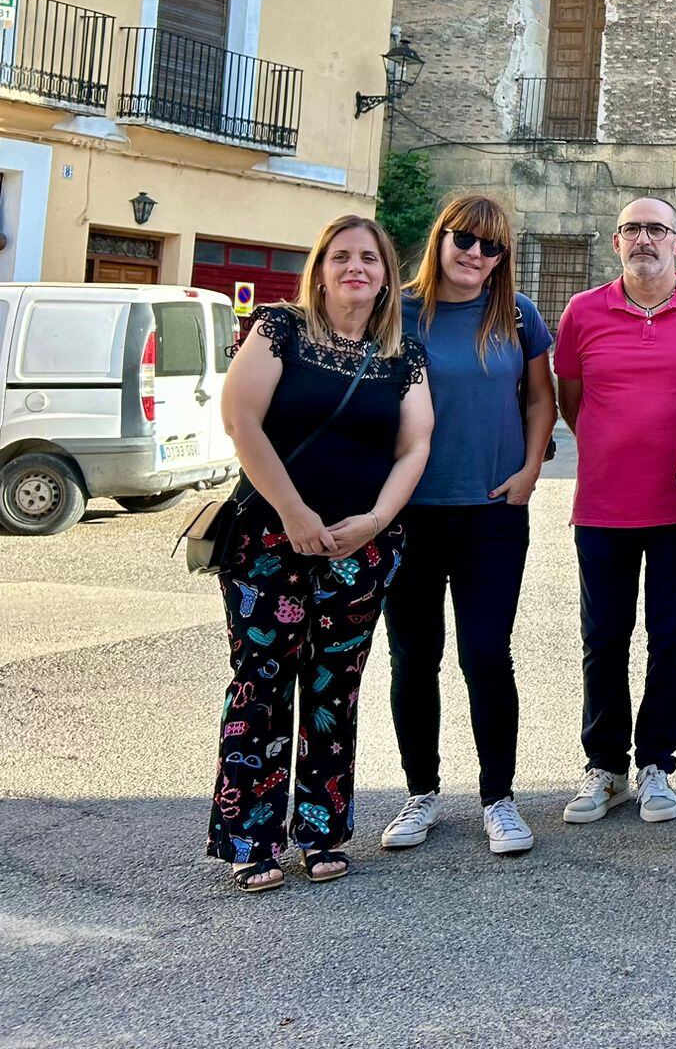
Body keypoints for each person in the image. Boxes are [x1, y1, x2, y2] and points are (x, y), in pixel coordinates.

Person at [209, 214, 432, 892]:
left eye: (369, 257)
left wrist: (377, 520)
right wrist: (293, 511)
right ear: (321, 268)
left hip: (360, 548)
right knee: (261, 684)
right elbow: (241, 419)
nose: (354, 267)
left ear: (386, 275)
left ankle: (322, 832)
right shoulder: (280, 329)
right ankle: (250, 839)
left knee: (335, 689)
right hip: (269, 540)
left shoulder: (403, 356)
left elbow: (415, 445)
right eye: (341, 256)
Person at [380, 194, 555, 859]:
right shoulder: (396, 310)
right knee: (413, 656)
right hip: (409, 515)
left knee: (486, 654)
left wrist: (530, 469)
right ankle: (420, 791)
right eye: (465, 239)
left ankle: (498, 799)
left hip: (493, 516)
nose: (476, 254)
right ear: (440, 238)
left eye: (491, 246)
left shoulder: (517, 314)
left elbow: (541, 399)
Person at [554, 196, 676, 827]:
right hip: (603, 507)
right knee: (603, 639)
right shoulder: (582, 312)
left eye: (657, 229)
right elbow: (572, 400)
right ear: (616, 242)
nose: (644, 239)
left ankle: (656, 762)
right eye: (631, 229)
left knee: (670, 639)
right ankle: (605, 767)